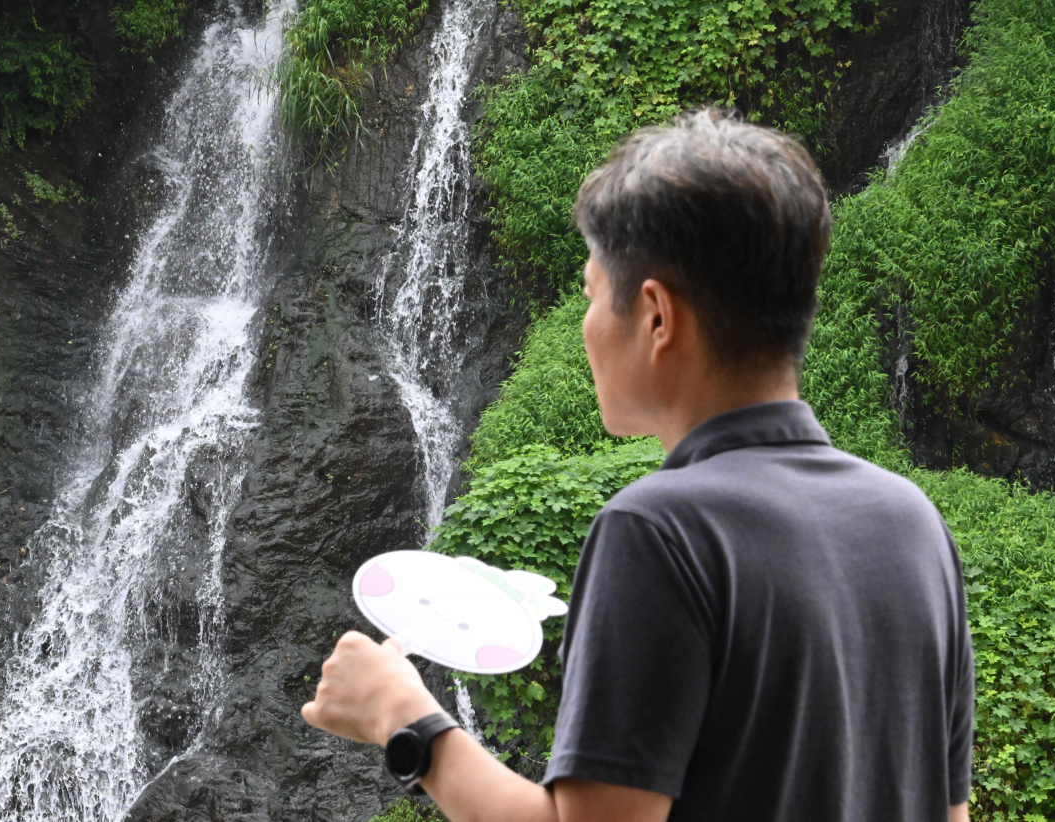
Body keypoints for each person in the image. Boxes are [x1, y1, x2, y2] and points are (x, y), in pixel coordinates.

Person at [301, 108, 974, 822]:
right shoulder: (915, 525)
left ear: (656, 316)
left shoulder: (658, 531)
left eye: (591, 295)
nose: (586, 327)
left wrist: (404, 717)